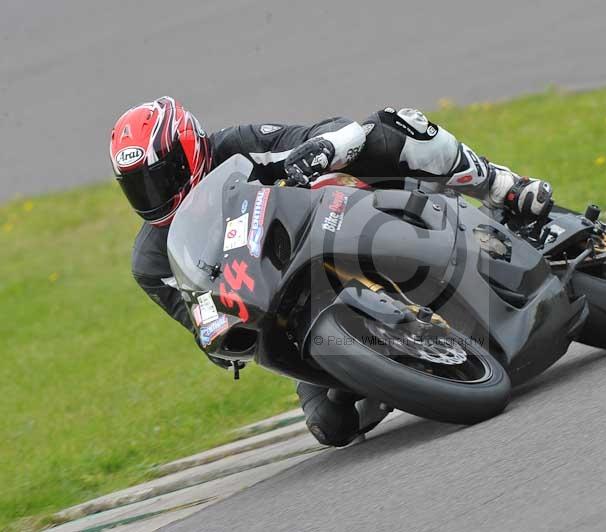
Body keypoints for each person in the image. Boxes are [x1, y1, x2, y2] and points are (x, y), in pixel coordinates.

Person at [109, 96, 553, 447]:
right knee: (331, 425)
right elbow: (198, 321)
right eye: (138, 187)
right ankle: (399, 362)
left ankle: (504, 187)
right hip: (288, 309)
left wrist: (320, 150)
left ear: (189, 150)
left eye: (160, 177)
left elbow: (338, 130)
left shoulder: (238, 145)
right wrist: (218, 335)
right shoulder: (151, 262)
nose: (154, 194)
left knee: (392, 128)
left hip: (344, 220)